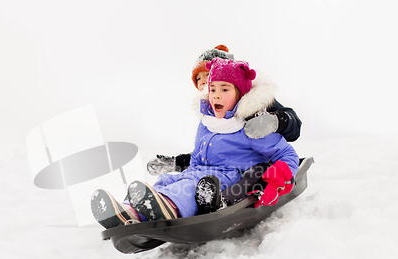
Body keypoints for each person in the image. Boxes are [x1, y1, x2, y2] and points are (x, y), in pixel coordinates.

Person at [91, 58, 299, 229]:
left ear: (240, 94)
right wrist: (181, 166)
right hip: (197, 171)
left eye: (225, 89)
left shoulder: (252, 126)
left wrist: (278, 177)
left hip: (226, 178)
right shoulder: (207, 123)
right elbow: (198, 157)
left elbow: (287, 155)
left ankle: (169, 207)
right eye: (213, 89)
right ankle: (129, 212)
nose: (216, 94)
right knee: (167, 181)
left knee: (188, 188)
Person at [147, 44, 302, 176]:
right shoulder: (211, 111)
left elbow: (295, 126)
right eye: (199, 79)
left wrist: (275, 121)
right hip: (224, 170)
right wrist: (177, 163)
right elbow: (215, 155)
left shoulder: (252, 100)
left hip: (258, 164)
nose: (203, 84)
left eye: (207, 76)